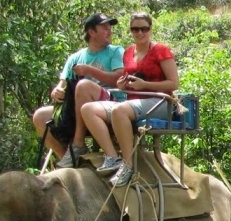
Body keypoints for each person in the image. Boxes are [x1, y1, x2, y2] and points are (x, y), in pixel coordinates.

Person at [80, 12, 178, 187]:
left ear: (150, 29)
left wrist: (145, 85)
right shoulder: (128, 52)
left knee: (120, 110)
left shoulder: (160, 50)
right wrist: (121, 84)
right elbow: (125, 80)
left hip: (160, 101)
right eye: (135, 29)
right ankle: (112, 157)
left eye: (144, 29)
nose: (140, 33)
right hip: (132, 103)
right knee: (88, 109)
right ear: (130, 31)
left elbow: (174, 83)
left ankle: (128, 166)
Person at [32, 13, 125, 167]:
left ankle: (78, 144)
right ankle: (68, 159)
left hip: (111, 103)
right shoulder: (75, 57)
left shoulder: (116, 51)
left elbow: (118, 78)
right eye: (104, 28)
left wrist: (89, 71)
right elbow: (62, 84)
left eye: (110, 28)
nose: (109, 31)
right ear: (91, 32)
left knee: (83, 86)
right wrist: (57, 91)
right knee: (39, 116)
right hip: (76, 109)